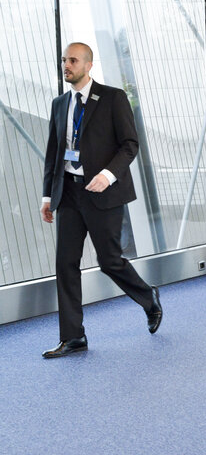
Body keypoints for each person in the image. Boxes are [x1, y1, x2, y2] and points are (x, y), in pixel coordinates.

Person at [40, 42, 162, 358]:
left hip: (103, 192)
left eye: (73, 60)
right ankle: (73, 336)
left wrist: (108, 175)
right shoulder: (59, 104)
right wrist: (46, 196)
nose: (66, 64)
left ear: (89, 65)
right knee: (65, 264)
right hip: (68, 193)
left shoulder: (112, 98)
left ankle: (148, 297)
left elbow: (130, 144)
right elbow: (53, 153)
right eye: (64, 60)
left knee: (109, 261)